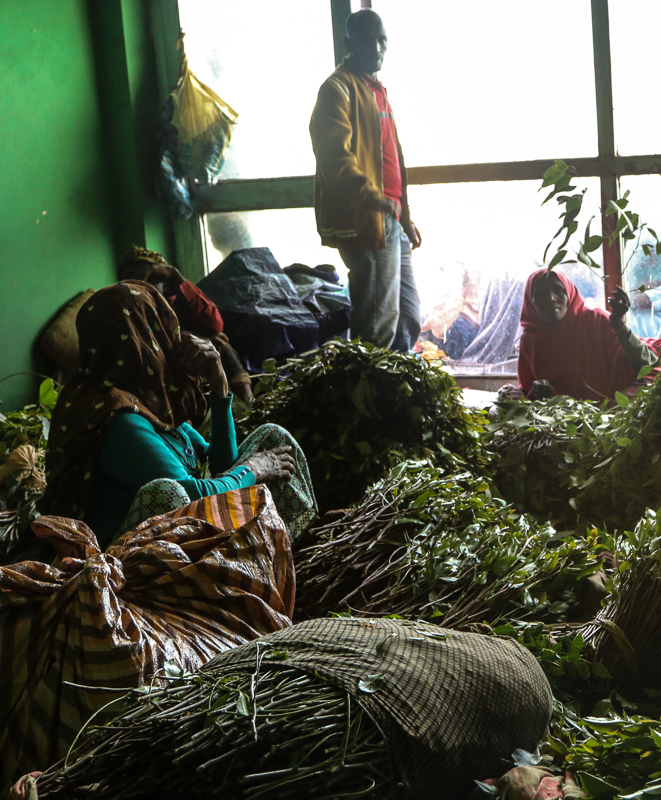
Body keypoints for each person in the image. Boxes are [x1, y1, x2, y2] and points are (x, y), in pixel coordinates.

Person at [41, 282, 317, 547]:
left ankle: (295, 546)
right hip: (121, 562)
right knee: (168, 494)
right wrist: (253, 470)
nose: (174, 338)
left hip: (179, 543)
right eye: (163, 328)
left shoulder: (151, 406)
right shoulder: (118, 420)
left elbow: (222, 464)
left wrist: (219, 384)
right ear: (147, 339)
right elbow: (191, 498)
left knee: (271, 437)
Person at [310, 9, 421, 351]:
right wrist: (375, 199)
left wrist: (405, 216)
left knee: (408, 315)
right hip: (365, 221)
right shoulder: (337, 90)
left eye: (382, 40)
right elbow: (334, 159)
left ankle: (398, 392)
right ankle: (371, 401)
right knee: (376, 330)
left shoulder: (376, 90)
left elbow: (392, 161)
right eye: (367, 40)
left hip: (390, 219)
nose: (376, 47)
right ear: (348, 44)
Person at [500, 268, 661, 402]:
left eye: (558, 290)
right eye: (540, 294)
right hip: (586, 412)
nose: (551, 298)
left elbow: (648, 363)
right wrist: (531, 394)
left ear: (569, 294)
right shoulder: (531, 340)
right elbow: (531, 390)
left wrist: (619, 327)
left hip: (660, 363)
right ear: (530, 301)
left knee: (634, 401)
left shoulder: (595, 320)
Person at [116, 245, 254, 403]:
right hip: (154, 372)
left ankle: (250, 407)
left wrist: (173, 274)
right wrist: (189, 338)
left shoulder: (176, 304)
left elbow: (214, 326)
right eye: (131, 279)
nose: (142, 285)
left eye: (151, 278)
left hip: (188, 364)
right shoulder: (124, 310)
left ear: (166, 284)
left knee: (221, 347)